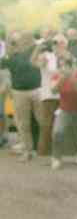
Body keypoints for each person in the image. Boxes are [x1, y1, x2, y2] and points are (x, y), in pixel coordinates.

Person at [4, 31, 41, 160]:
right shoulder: (11, 56)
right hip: (19, 92)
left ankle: (42, 149)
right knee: (23, 124)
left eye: (20, 40)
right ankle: (27, 151)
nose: (19, 43)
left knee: (42, 121)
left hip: (37, 90)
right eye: (15, 41)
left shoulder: (35, 51)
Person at [50, 55, 77, 170]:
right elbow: (53, 90)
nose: (66, 67)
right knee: (58, 132)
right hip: (65, 109)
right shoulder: (57, 75)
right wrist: (63, 78)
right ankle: (56, 158)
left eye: (69, 64)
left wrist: (73, 78)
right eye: (63, 65)